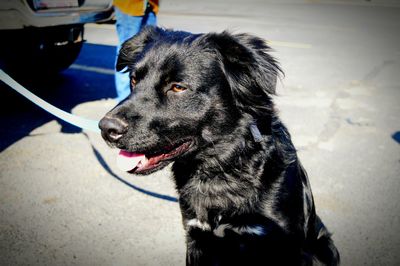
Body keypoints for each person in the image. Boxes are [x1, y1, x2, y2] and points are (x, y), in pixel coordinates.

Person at [113, 0, 159, 102]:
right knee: (128, 55)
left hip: (150, 6)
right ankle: (125, 100)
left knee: (151, 51)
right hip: (130, 7)